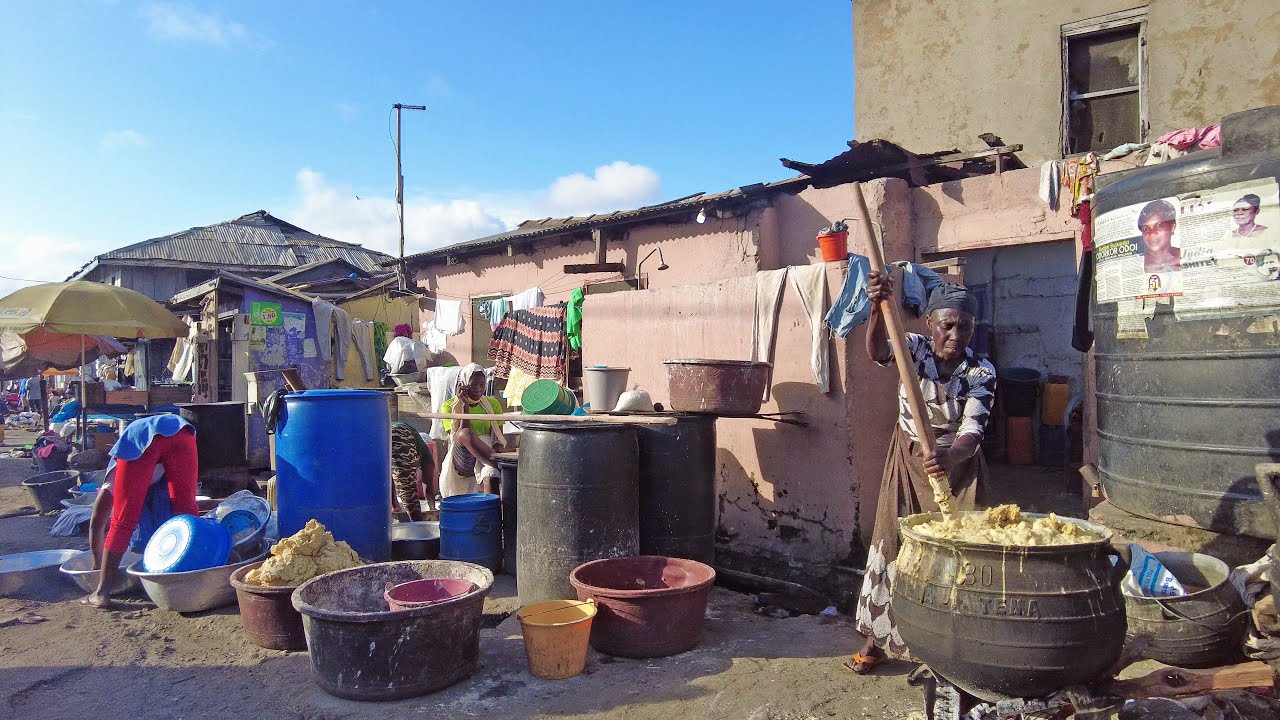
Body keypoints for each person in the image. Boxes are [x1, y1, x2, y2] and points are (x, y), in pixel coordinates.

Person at [846, 276, 997, 674]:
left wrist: (951, 456)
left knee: (961, 554)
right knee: (893, 542)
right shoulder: (912, 347)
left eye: (964, 327)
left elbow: (973, 429)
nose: (955, 335)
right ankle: (877, 640)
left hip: (959, 468)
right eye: (947, 325)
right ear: (930, 323)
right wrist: (877, 308)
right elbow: (879, 351)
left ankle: (953, 654)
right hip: (908, 459)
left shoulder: (980, 371)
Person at [84, 414, 200, 608]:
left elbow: (97, 521)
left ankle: (101, 592)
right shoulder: (156, 467)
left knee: (123, 520)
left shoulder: (116, 470)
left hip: (143, 438)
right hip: (183, 432)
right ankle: (196, 577)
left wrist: (98, 564)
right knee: (186, 511)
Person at [439, 364, 506, 497]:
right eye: (473, 385)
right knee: (465, 433)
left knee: (491, 474)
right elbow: (458, 436)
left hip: (486, 452)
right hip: (464, 455)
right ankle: (500, 464)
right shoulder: (449, 406)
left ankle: (492, 509)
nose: (478, 389)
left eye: (482, 385)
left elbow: (498, 438)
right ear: (463, 384)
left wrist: (498, 450)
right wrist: (465, 405)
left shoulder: (493, 404)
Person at [390, 420, 434, 520]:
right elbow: (428, 483)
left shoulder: (419, 446)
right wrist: (432, 507)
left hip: (381, 430)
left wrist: (395, 504)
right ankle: (418, 527)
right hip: (400, 433)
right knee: (408, 490)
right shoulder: (427, 458)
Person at [1138, 199, 1181, 272]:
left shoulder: (1184, 256)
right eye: (1145, 228)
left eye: (1158, 225)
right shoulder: (1136, 263)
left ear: (1172, 227)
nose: (1152, 233)